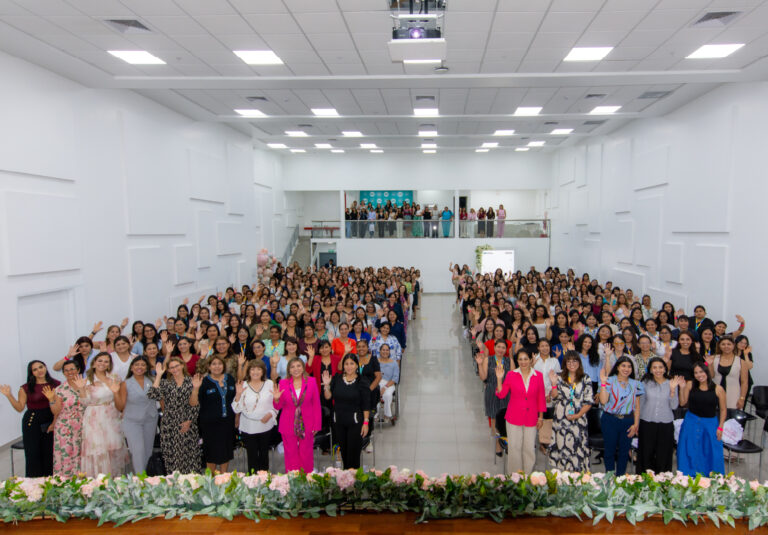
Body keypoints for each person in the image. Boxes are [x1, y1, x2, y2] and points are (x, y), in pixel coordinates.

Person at [0, 361, 60, 476]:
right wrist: (9, 395)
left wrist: (54, 423)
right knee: (33, 454)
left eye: (41, 367)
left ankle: (51, 483)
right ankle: (33, 486)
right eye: (35, 369)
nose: (39, 370)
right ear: (31, 373)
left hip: (51, 420)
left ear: (45, 367)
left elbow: (59, 407)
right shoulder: (26, 388)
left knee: (50, 453)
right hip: (32, 423)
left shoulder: (56, 384)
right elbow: (19, 407)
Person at [495, 349, 546, 474]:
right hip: (514, 417)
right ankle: (515, 477)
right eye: (520, 359)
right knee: (514, 448)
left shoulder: (538, 375)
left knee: (529, 448)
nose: (523, 362)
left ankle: (528, 476)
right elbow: (501, 395)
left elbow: (541, 397)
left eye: (525, 359)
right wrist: (499, 379)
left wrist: (540, 417)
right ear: (517, 361)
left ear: (530, 360)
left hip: (532, 417)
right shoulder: (511, 375)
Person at [78, 352, 129, 476]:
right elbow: (84, 402)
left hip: (112, 416)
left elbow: (120, 397)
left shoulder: (114, 378)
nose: (102, 363)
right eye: (100, 360)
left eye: (106, 361)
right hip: (94, 417)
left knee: (114, 448)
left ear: (109, 365)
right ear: (94, 362)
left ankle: (116, 481)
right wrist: (81, 389)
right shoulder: (87, 381)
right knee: (98, 449)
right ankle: (98, 481)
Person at [147, 358, 202, 474]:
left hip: (187, 423)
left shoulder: (192, 381)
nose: (175, 369)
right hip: (169, 425)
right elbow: (152, 394)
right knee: (171, 459)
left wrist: (189, 421)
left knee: (189, 458)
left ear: (182, 365)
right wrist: (158, 375)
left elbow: (194, 404)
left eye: (177, 366)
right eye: (171, 367)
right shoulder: (165, 383)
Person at [677, 362, 727, 476]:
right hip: (691, 422)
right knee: (688, 451)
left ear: (707, 372)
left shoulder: (718, 389)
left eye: (701, 371)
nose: (699, 375)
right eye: (696, 372)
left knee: (711, 452)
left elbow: (723, 410)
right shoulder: (690, 385)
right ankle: (687, 479)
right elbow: (682, 402)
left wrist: (721, 427)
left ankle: (711, 480)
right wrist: (682, 388)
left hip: (710, 424)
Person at [322, 354, 371, 469]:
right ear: (343, 365)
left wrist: (366, 422)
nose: (349, 367)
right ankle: (346, 480)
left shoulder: (362, 381)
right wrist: (327, 386)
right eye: (346, 364)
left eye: (352, 364)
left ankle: (354, 480)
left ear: (356, 366)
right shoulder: (337, 379)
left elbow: (366, 404)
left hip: (355, 422)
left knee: (353, 453)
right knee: (343, 452)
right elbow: (328, 397)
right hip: (339, 421)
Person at [273, 357, 322, 473]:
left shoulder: (311, 381)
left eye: (298, 366)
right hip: (288, 423)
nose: (296, 369)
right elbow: (278, 407)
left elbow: (316, 404)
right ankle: (292, 478)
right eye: (292, 367)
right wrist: (276, 399)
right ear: (289, 370)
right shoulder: (283, 383)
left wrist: (317, 425)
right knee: (290, 453)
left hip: (308, 423)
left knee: (306, 452)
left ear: (303, 368)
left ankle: (307, 478)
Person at [547, 351, 593, 472]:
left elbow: (588, 402)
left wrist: (577, 415)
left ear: (579, 363)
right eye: (569, 361)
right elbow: (555, 397)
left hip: (579, 419)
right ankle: (564, 478)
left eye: (574, 361)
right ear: (565, 363)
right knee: (563, 449)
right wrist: (553, 384)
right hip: (562, 419)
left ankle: (578, 479)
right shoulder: (559, 377)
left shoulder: (585, 378)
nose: (572, 364)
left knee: (578, 449)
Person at [598, 356, 644, 476]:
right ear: (617, 367)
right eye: (623, 366)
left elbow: (637, 407)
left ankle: (620, 478)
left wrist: (636, 424)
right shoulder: (609, 380)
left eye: (629, 366)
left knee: (624, 452)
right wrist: (603, 384)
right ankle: (609, 477)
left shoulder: (636, 384)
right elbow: (603, 401)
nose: (626, 369)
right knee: (609, 451)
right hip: (610, 419)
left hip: (627, 421)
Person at [191, 356, 236, 473]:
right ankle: (211, 480)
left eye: (219, 364)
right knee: (211, 453)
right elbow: (193, 403)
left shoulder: (230, 379)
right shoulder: (203, 382)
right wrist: (195, 389)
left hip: (227, 423)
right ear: (209, 367)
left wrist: (237, 417)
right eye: (214, 364)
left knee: (226, 452)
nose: (217, 366)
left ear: (224, 366)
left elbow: (236, 400)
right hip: (209, 425)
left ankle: (224, 478)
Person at [637, 357, 682, 474]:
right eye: (654, 367)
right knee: (646, 453)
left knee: (664, 454)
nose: (658, 370)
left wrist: (672, 391)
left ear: (665, 369)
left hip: (665, 424)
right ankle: (644, 480)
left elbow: (674, 406)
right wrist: (636, 423)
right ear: (650, 370)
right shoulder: (645, 383)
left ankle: (662, 480)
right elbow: (639, 405)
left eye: (660, 367)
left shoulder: (671, 383)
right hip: (647, 422)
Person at [232, 359, 276, 473]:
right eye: (252, 369)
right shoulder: (243, 385)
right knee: (251, 455)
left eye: (258, 369)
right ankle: (252, 482)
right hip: (248, 426)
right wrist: (238, 394)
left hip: (266, 425)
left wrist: (271, 414)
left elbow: (276, 403)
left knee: (264, 454)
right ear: (248, 371)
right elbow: (236, 408)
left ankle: (265, 479)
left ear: (263, 371)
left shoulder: (269, 384)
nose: (255, 372)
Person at [118, 356, 158, 474]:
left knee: (147, 451)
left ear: (146, 368)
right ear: (132, 367)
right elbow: (122, 405)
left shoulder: (152, 380)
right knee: (138, 451)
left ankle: (146, 477)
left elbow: (156, 397)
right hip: (132, 421)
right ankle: (140, 480)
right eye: (137, 364)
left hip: (150, 420)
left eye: (142, 365)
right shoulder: (125, 384)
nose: (139, 367)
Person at [48, 360, 85, 477]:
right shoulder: (59, 389)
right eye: (66, 370)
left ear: (78, 370)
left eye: (72, 369)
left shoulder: (87, 384)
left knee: (83, 453)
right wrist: (52, 400)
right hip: (65, 427)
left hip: (84, 424)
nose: (70, 372)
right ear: (63, 373)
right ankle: (66, 481)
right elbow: (56, 411)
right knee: (67, 454)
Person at [707, 336, 749, 410]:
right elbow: (711, 376)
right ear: (719, 346)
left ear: (733, 345)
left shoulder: (741, 362)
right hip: (715, 393)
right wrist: (709, 364)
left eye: (729, 344)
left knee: (731, 419)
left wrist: (742, 398)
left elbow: (744, 382)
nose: (726, 346)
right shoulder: (713, 358)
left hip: (733, 395)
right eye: (723, 344)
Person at [377, 344, 400, 423]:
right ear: (380, 351)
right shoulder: (375, 362)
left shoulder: (394, 363)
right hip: (377, 382)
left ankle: (387, 414)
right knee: (374, 394)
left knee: (387, 395)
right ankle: (376, 414)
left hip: (389, 384)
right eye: (383, 350)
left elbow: (395, 378)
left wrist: (385, 387)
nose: (385, 352)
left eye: (387, 350)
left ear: (389, 351)